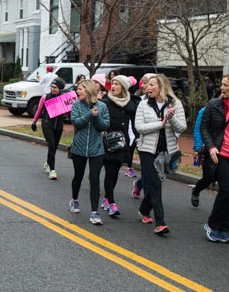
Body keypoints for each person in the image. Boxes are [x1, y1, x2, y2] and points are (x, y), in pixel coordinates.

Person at [135, 74, 186, 235]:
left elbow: (181, 128)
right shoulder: (143, 104)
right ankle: (160, 223)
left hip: (166, 151)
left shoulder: (175, 104)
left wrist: (171, 119)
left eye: (152, 85)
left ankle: (144, 209)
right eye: (147, 85)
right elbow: (140, 127)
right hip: (147, 150)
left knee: (156, 182)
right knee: (156, 183)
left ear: (161, 87)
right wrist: (161, 123)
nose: (148, 88)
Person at [69, 79, 110, 225]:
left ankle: (95, 212)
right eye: (77, 89)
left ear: (88, 90)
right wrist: (89, 115)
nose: (77, 91)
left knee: (94, 179)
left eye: (80, 89)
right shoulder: (76, 105)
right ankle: (74, 199)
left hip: (96, 149)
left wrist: (97, 115)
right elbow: (76, 123)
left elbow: (104, 126)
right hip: (79, 148)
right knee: (78, 176)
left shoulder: (102, 106)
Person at [201, 73, 229, 243]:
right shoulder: (214, 105)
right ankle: (212, 224)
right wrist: (211, 147)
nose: (222, 88)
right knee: (228, 189)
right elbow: (204, 128)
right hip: (220, 154)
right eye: (222, 84)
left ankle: (224, 228)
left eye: (225, 85)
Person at [100, 75, 139, 217]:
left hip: (123, 142)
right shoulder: (105, 102)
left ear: (124, 87)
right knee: (110, 172)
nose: (113, 86)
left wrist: (137, 139)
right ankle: (111, 202)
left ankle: (106, 198)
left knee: (115, 172)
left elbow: (134, 124)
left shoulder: (131, 104)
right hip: (108, 142)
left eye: (117, 84)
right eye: (113, 83)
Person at [32, 78, 66, 180]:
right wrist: (34, 122)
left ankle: (48, 163)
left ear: (60, 89)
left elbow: (69, 111)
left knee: (54, 147)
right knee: (51, 145)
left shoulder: (63, 99)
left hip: (59, 126)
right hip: (47, 125)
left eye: (55, 87)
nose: (52, 89)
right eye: (51, 87)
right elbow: (39, 110)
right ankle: (52, 170)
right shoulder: (45, 97)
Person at [191, 106, 217, 207]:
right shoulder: (206, 109)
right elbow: (198, 129)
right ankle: (196, 190)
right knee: (208, 177)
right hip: (208, 148)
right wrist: (198, 147)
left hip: (226, 149)